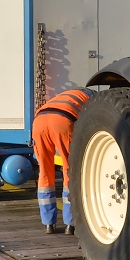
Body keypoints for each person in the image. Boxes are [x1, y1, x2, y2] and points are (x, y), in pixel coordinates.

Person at [32, 88, 93, 234]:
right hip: (62, 121)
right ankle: (70, 224)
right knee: (69, 170)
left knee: (45, 172)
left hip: (39, 121)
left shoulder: (69, 94)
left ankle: (48, 224)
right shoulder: (95, 99)